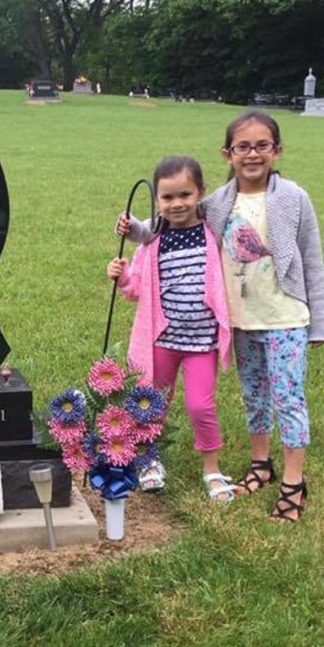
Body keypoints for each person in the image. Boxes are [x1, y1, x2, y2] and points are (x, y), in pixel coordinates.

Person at [119, 111, 324, 521]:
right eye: (243, 147)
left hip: (285, 316)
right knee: (253, 395)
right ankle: (260, 465)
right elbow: (167, 220)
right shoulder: (217, 201)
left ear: (277, 150)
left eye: (262, 145)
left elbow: (312, 259)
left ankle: (294, 482)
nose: (252, 154)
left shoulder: (293, 198)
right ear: (228, 154)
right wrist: (132, 230)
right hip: (240, 320)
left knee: (288, 398)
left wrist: (318, 322)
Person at [109, 155, 235, 502]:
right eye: (167, 197)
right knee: (152, 403)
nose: (177, 204)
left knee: (200, 405)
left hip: (201, 342)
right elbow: (136, 291)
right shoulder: (153, 242)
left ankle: (211, 467)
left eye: (185, 195)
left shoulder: (213, 235)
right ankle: (149, 459)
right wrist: (123, 278)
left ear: (200, 194)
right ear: (157, 201)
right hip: (162, 340)